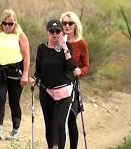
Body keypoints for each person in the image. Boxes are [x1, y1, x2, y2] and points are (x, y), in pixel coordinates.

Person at [29, 19, 76, 149]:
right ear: (48, 32)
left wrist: (65, 47)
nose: (55, 34)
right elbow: (38, 71)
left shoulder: (67, 47)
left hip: (64, 91)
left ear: (61, 32)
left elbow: (72, 66)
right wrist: (34, 79)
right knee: (49, 124)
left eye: (57, 31)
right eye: (52, 31)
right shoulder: (42, 48)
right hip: (46, 91)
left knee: (60, 123)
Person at [0, 9, 30, 141]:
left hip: (15, 72)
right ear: (1, 23)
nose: (7, 26)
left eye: (10, 24)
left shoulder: (20, 36)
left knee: (14, 101)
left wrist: (25, 74)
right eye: (5, 23)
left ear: (15, 23)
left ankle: (16, 130)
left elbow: (26, 57)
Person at [60, 11, 89, 149]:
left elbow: (86, 66)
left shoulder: (81, 43)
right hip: (58, 84)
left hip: (73, 84)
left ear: (75, 25)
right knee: (59, 120)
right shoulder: (59, 41)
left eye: (70, 23)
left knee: (71, 119)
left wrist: (80, 71)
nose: (67, 25)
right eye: (64, 23)